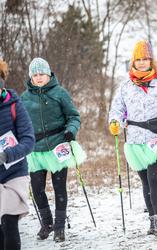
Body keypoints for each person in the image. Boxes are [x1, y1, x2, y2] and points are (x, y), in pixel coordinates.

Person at [108, 40, 157, 236]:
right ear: (133, 62)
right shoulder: (125, 86)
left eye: (145, 59)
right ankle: (151, 221)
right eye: (138, 59)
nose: (142, 63)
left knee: (153, 177)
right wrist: (114, 121)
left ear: (152, 61)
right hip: (134, 142)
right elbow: (117, 109)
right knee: (145, 182)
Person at [21, 58, 85, 242]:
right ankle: (47, 223)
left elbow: (74, 116)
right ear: (31, 77)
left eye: (42, 74)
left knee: (59, 187)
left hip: (58, 145)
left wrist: (71, 131)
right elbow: (20, 123)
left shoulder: (60, 93)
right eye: (35, 74)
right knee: (37, 188)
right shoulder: (24, 98)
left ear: (48, 74)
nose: (39, 77)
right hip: (36, 150)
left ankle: (59, 227)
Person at [0, 59, 35, 250]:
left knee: (9, 222)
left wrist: (6, 155)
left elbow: (28, 141)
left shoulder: (14, 105)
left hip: (15, 174)